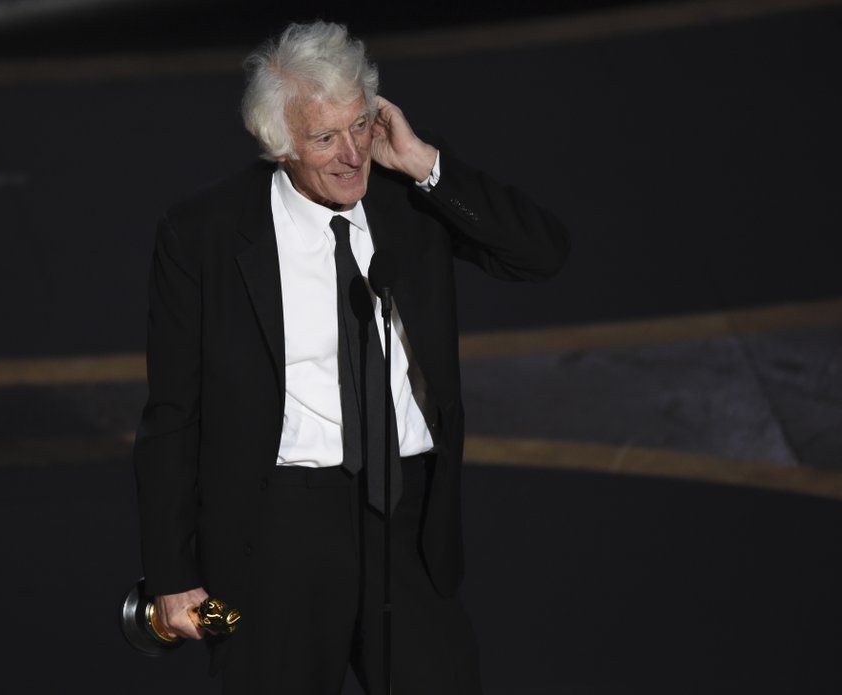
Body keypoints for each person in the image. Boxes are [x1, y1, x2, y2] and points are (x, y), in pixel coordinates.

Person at [132, 20, 569, 695]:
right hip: (281, 533)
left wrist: (426, 165)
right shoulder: (205, 234)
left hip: (407, 516)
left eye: (359, 126)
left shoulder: (410, 198)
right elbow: (171, 412)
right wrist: (170, 572)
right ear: (279, 145)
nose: (350, 155)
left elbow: (540, 254)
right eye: (324, 137)